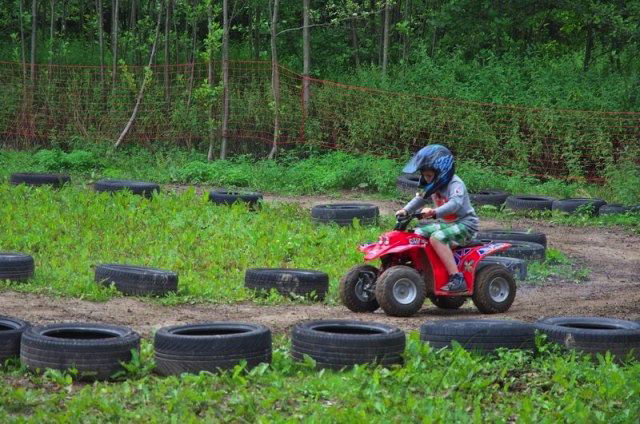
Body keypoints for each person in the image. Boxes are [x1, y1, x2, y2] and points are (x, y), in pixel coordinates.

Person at [395, 144, 479, 292]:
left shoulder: (455, 184)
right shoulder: (432, 185)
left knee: (437, 238)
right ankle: (425, 271)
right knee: (417, 234)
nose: (426, 179)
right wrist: (405, 210)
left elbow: (455, 204)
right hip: (448, 224)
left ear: (442, 171)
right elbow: (420, 198)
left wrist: (434, 212)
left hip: (466, 224)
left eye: (428, 176)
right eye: (424, 176)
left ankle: (457, 278)